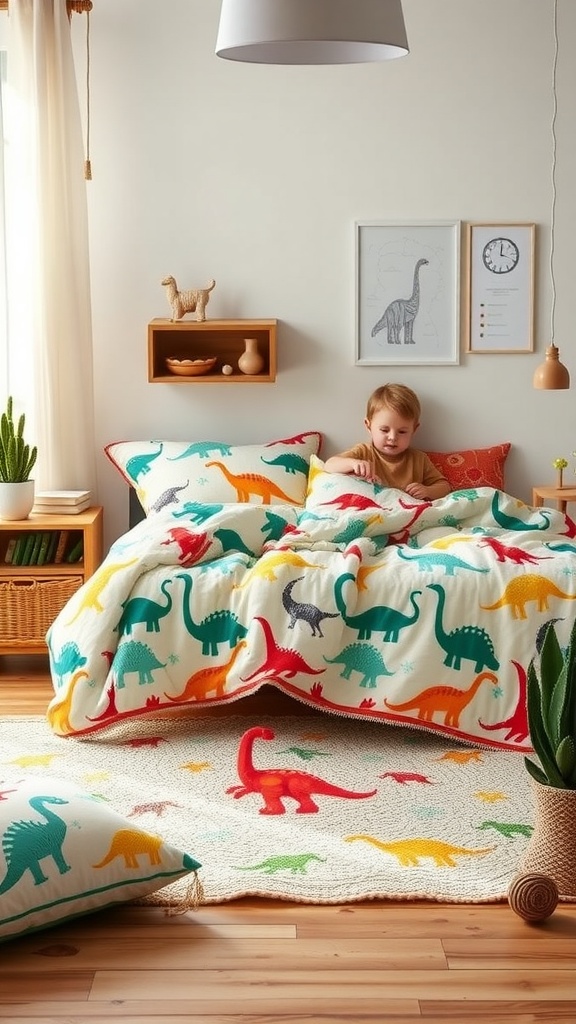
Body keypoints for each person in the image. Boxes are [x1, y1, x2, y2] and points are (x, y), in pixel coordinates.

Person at [324, 383, 451, 501]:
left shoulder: (418, 459)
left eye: (402, 432)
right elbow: (329, 465)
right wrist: (352, 463)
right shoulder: (363, 452)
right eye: (384, 430)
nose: (392, 437)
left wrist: (428, 491)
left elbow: (444, 486)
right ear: (368, 426)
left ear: (414, 430)